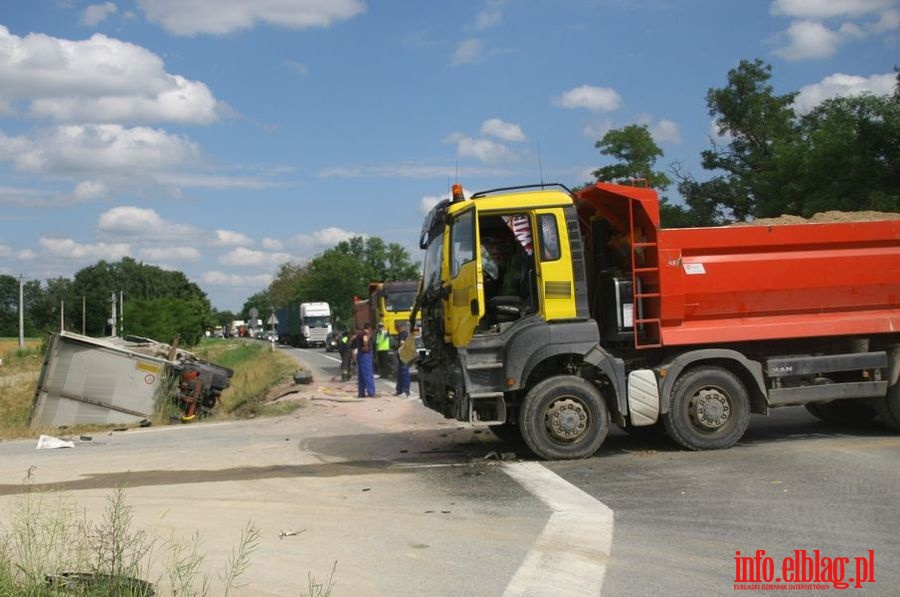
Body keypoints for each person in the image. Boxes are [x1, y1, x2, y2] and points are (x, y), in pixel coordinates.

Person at [351, 323, 377, 398]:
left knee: (361, 376)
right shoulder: (365, 334)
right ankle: (371, 392)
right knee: (368, 375)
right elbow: (365, 340)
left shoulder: (358, 335)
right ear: (369, 329)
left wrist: (354, 358)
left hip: (360, 356)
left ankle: (361, 393)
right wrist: (366, 346)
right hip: (365, 356)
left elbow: (353, 346)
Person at [394, 322, 411, 397]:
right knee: (400, 374)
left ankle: (406, 391)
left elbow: (403, 343)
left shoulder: (404, 334)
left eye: (396, 328)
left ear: (400, 327)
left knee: (404, 374)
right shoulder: (401, 334)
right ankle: (399, 390)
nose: (396, 329)